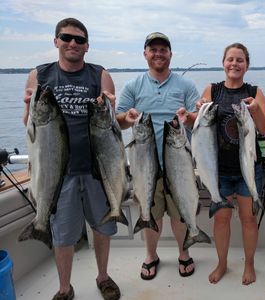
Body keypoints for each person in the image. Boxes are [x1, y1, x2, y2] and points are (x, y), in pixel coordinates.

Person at [22, 18, 121, 300]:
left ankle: (103, 277)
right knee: (63, 235)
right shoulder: (39, 75)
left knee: (102, 228)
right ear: (56, 41)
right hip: (56, 173)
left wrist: (112, 107)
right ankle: (65, 288)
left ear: (87, 46)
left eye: (79, 40)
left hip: (96, 169)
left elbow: (112, 123)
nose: (72, 43)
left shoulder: (100, 74)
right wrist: (28, 107)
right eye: (66, 37)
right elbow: (27, 125)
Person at [115, 32, 200, 280]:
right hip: (144, 166)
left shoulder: (186, 86)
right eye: (153, 49)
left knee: (180, 213)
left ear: (170, 54)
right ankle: (151, 255)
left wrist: (191, 117)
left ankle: (184, 253)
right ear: (145, 54)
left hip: (179, 164)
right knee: (150, 213)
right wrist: (126, 118)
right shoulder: (133, 86)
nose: (158, 53)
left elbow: (197, 122)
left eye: (163, 49)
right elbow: (119, 122)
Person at [196, 43, 265, 285]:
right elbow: (199, 125)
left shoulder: (255, 91)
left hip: (249, 170)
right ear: (223, 62)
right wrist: (194, 112)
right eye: (230, 59)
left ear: (247, 65)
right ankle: (222, 263)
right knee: (221, 219)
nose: (234, 64)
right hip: (219, 170)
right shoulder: (212, 90)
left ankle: (249, 264)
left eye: (240, 60)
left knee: (248, 219)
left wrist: (257, 109)